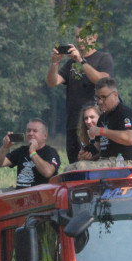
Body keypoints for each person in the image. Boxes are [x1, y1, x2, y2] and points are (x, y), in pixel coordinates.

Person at [45, 29, 114, 164]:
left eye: (83, 37)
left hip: (94, 123)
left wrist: (82, 61)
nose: (79, 40)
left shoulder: (103, 58)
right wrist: (54, 63)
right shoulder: (71, 63)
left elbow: (101, 81)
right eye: (77, 37)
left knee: (95, 160)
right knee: (75, 162)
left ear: (94, 37)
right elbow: (52, 82)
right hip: (73, 122)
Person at [85, 78, 132, 167]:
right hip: (105, 161)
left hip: (125, 162)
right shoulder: (102, 118)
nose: (100, 102)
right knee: (71, 168)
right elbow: (98, 147)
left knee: (80, 168)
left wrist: (102, 131)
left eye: (104, 97)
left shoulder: (125, 112)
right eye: (98, 98)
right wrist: (86, 153)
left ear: (115, 95)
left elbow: (129, 139)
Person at [0, 119, 61, 189]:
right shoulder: (22, 150)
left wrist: (33, 152)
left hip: (40, 196)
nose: (31, 133)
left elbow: (48, 172)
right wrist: (5, 147)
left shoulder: (50, 152)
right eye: (28, 131)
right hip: (21, 195)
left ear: (45, 135)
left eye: (35, 131)